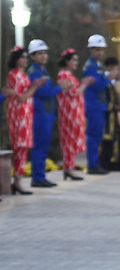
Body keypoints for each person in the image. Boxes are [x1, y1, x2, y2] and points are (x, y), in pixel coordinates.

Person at [27, 39, 72, 188]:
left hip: (46, 114)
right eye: (39, 53)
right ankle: (37, 177)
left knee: (42, 147)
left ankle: (40, 176)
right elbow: (44, 93)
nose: (43, 56)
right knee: (39, 147)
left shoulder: (42, 71)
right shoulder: (34, 73)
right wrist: (60, 87)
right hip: (39, 115)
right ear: (32, 56)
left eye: (45, 53)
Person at [56, 49, 91, 181]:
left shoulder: (69, 75)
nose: (76, 62)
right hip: (69, 113)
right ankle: (69, 169)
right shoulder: (63, 75)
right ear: (67, 61)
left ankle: (69, 167)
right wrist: (85, 84)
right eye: (74, 60)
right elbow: (74, 92)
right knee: (69, 140)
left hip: (75, 112)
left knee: (71, 139)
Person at [6, 46, 35, 195]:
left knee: (23, 147)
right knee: (20, 146)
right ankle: (17, 181)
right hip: (18, 114)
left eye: (25, 57)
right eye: (22, 57)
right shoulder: (13, 75)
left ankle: (18, 180)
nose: (25, 60)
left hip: (26, 114)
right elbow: (21, 97)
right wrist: (35, 87)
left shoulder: (22, 74)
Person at [82, 34, 112, 174]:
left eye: (101, 49)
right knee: (93, 136)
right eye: (96, 49)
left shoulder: (97, 65)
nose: (99, 52)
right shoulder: (90, 67)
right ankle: (92, 165)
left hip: (99, 105)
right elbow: (97, 85)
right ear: (91, 50)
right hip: (93, 105)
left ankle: (95, 163)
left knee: (97, 136)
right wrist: (108, 79)